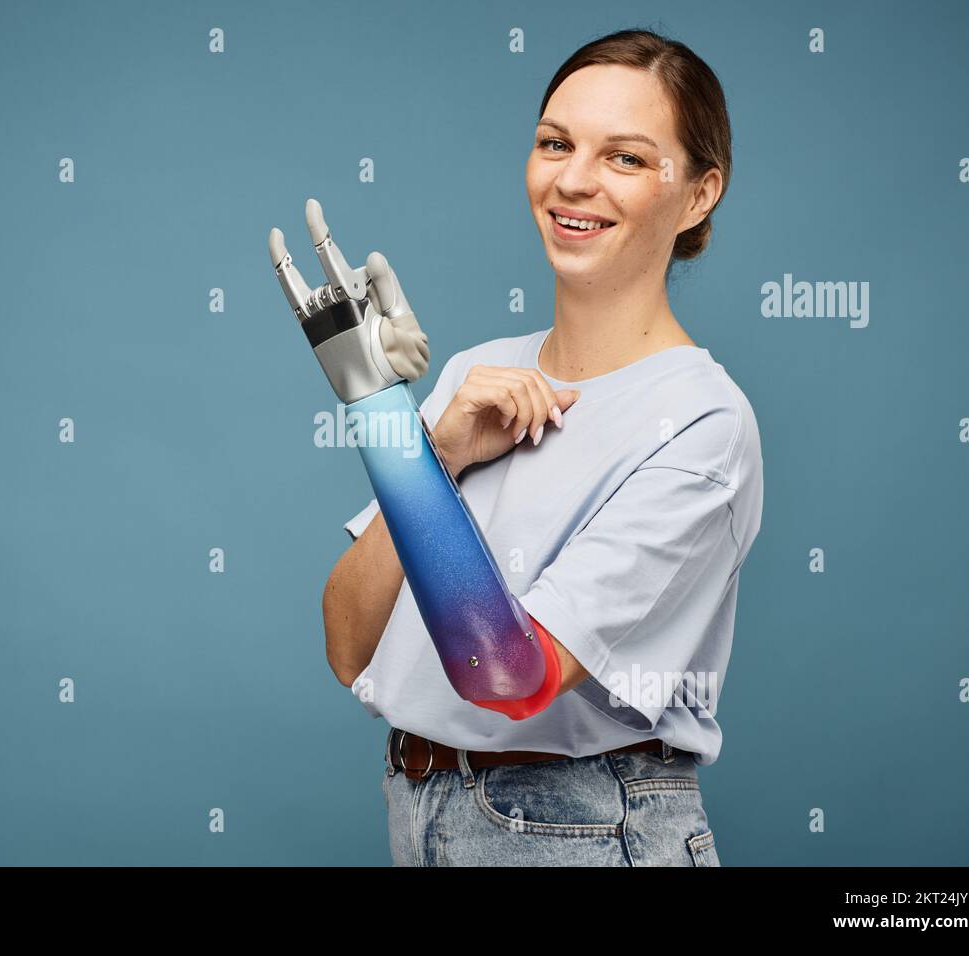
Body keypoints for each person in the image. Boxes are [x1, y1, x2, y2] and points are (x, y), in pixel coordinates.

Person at [322, 28, 764, 866]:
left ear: (700, 193)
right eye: (555, 143)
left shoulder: (701, 423)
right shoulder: (475, 375)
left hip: (578, 828)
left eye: (626, 158)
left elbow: (508, 677)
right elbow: (348, 646)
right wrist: (423, 444)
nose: (573, 179)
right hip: (417, 812)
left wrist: (384, 415)